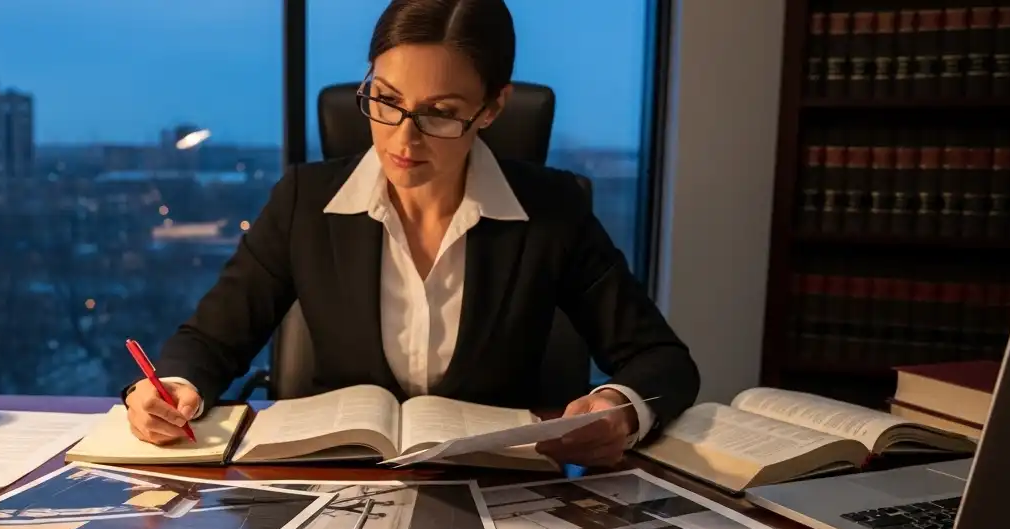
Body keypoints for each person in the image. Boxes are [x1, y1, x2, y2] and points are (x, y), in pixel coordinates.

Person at [125, 0, 699, 468]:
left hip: (496, 496)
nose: (404, 140)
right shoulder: (305, 200)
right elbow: (209, 341)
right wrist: (168, 389)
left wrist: (620, 410)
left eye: (441, 112)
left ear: (493, 109)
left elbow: (661, 360)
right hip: (332, 486)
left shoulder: (553, 210)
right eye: (386, 101)